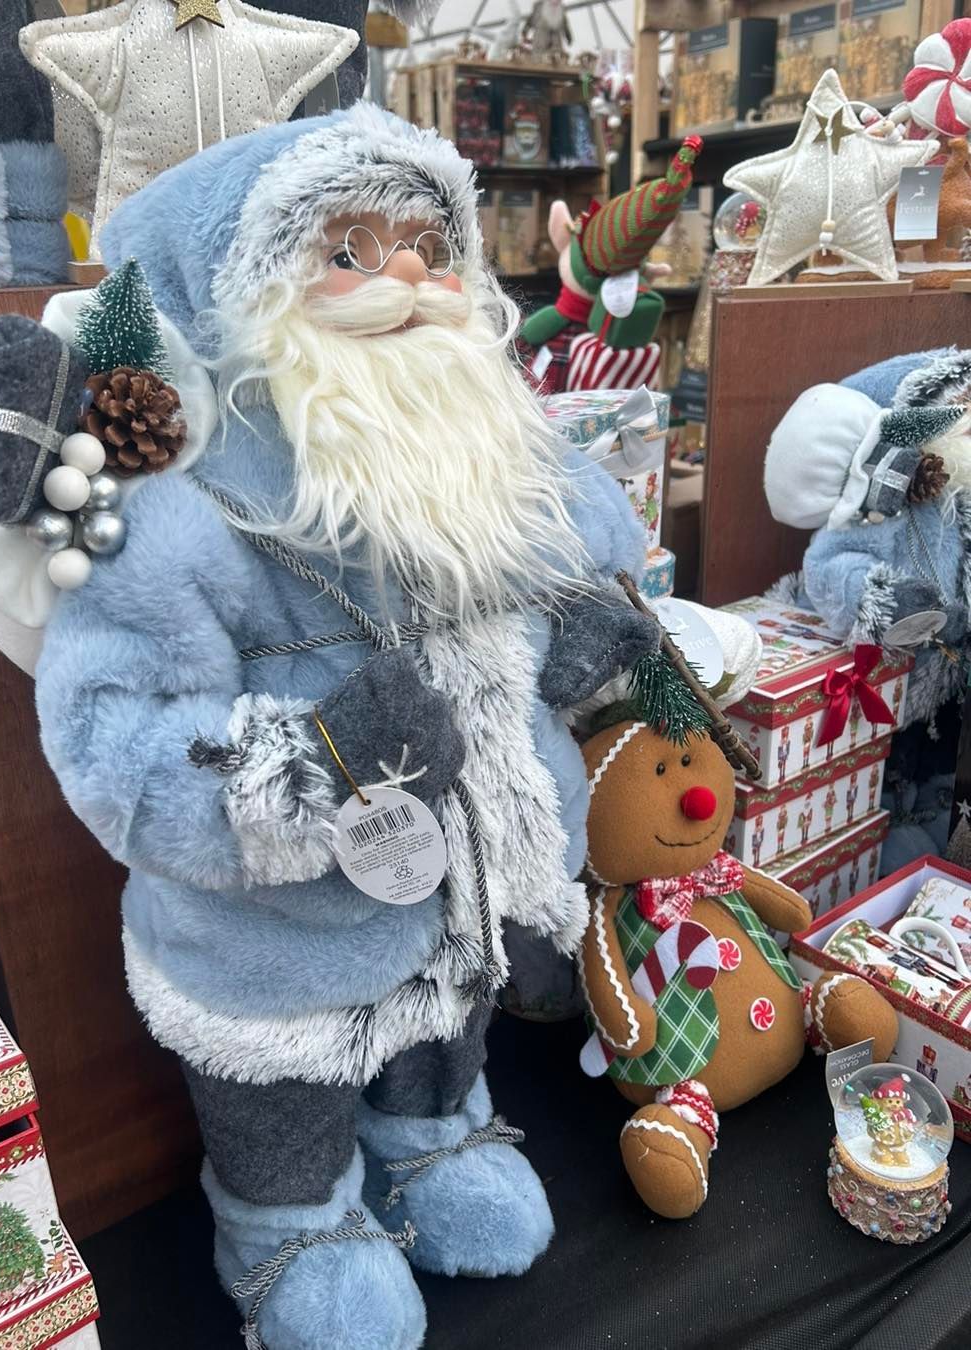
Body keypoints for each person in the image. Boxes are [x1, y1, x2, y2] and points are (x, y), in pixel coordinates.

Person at [34, 105, 656, 1348]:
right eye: (349, 251)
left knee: (447, 1033)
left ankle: (431, 1143)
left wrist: (589, 638)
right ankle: (287, 1225)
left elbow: (591, 562)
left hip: (465, 887)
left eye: (429, 244)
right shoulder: (180, 510)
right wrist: (308, 768)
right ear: (239, 291)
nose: (409, 278)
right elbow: (111, 741)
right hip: (279, 938)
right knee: (284, 1090)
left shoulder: (494, 451)